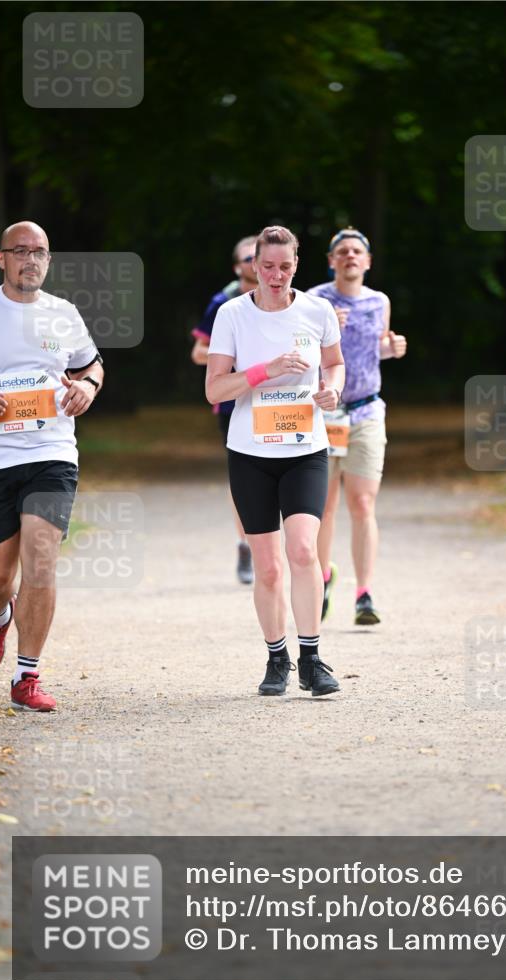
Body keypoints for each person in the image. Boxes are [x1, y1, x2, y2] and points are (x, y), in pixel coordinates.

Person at [206, 225, 345, 696]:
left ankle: (312, 658)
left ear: (297, 266)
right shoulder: (232, 315)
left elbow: (336, 363)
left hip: (306, 448)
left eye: (285, 266)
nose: (276, 275)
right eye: (267, 266)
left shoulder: (317, 310)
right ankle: (276, 658)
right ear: (253, 267)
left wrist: (332, 390)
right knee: (267, 567)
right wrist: (268, 370)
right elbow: (215, 388)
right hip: (250, 454)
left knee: (304, 550)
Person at [0, 221, 104, 710]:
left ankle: (27, 677)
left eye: (39, 252)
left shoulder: (64, 314)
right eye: (21, 251)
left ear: (49, 261)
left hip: (51, 454)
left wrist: (89, 386)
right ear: (2, 259)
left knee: (41, 558)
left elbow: (92, 362)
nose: (30, 259)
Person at [307, 228, 407, 625]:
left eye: (357, 252)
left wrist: (391, 349)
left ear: (367, 262)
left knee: (363, 503)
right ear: (332, 261)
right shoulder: (315, 300)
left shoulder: (379, 301)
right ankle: (322, 576)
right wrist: (326, 327)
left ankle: (364, 593)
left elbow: (375, 347)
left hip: (366, 412)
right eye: (342, 252)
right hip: (324, 411)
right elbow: (298, 349)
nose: (350, 257)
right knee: (325, 505)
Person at [191, 235, 258, 585]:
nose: (254, 262)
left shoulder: (287, 299)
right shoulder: (224, 301)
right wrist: (231, 360)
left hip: (277, 401)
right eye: (249, 257)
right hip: (233, 403)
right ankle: (245, 545)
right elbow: (199, 352)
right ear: (238, 266)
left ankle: (271, 547)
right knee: (245, 480)